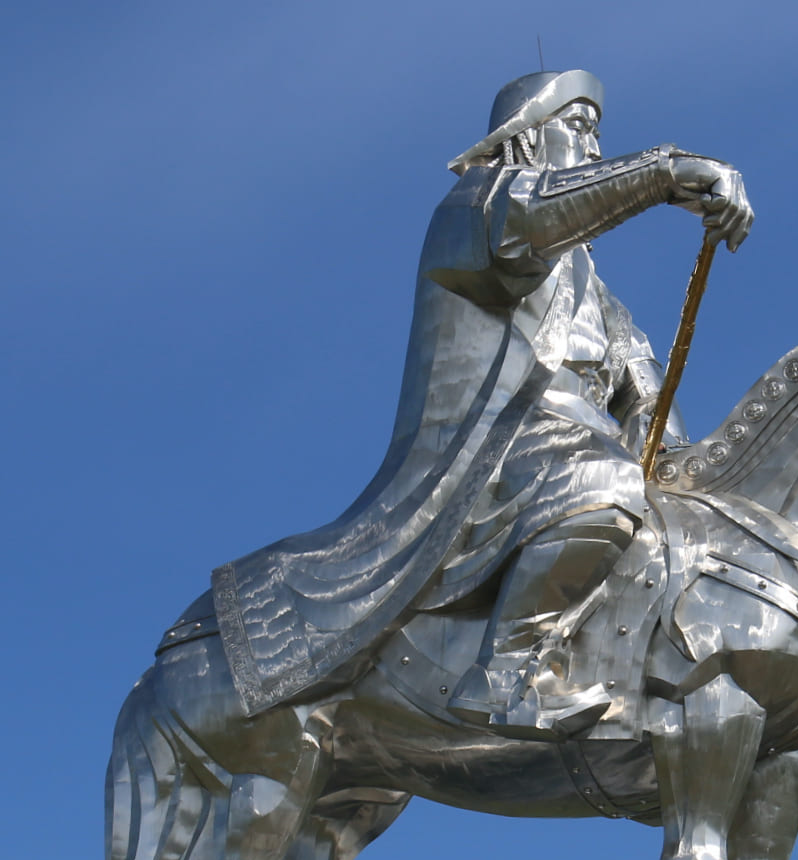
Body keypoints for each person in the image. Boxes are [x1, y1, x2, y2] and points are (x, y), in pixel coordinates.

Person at [209, 70, 753, 739]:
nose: (591, 148)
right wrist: (666, 172)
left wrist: (672, 455)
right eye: (577, 129)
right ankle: (506, 675)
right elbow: (539, 212)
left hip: (571, 452)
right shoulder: (478, 209)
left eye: (597, 135)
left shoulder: (604, 301)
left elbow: (643, 390)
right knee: (604, 482)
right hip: (499, 449)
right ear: (525, 138)